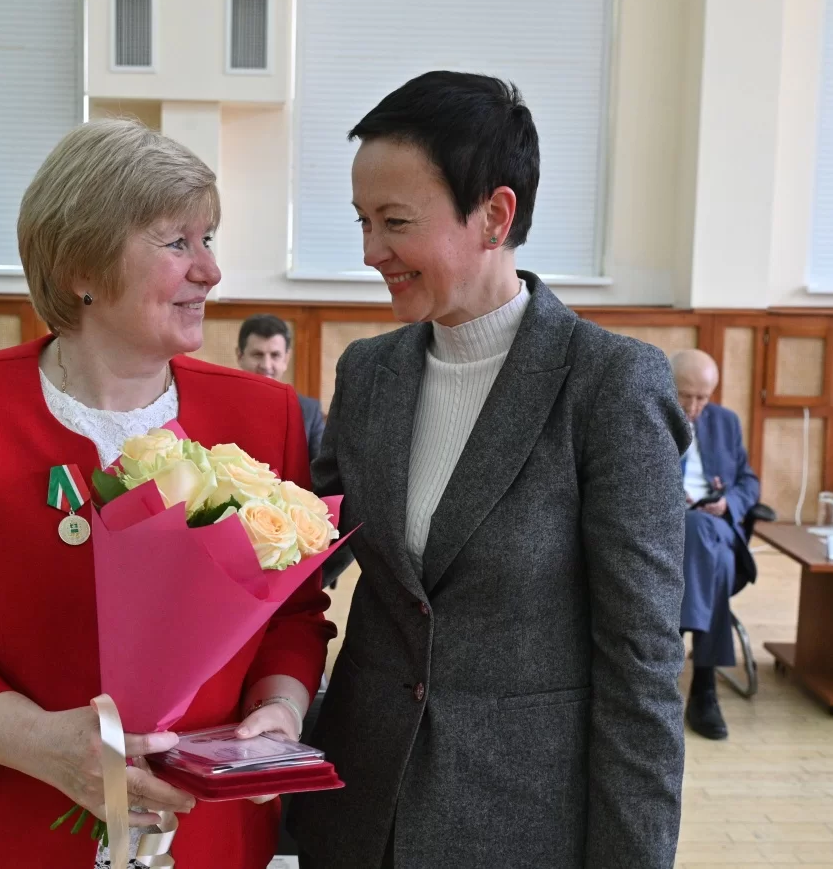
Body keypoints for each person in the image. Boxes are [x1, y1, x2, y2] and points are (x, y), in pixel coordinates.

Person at [0, 118, 333, 869]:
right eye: (178, 243)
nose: (210, 270)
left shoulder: (263, 415)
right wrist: (41, 743)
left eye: (209, 239)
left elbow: (294, 614)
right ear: (82, 266)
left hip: (200, 832)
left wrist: (280, 708)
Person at [286, 71, 690, 869]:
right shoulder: (369, 372)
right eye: (363, 221)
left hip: (517, 825)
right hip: (358, 816)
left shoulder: (607, 384)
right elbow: (300, 556)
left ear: (495, 216)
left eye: (396, 222)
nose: (370, 252)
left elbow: (640, 669)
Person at [672, 348, 761, 741]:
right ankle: (704, 688)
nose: (694, 408)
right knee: (717, 563)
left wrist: (728, 503)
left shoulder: (726, 422)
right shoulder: (645, 416)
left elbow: (749, 482)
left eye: (702, 398)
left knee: (703, 530)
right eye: (685, 396)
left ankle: (671, 657)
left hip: (717, 524)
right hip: (667, 533)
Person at [236, 314, 325, 459]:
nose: (266, 365)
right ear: (240, 356)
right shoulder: (220, 406)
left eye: (275, 355)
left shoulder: (309, 411)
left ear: (286, 359)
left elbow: (321, 468)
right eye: (257, 354)